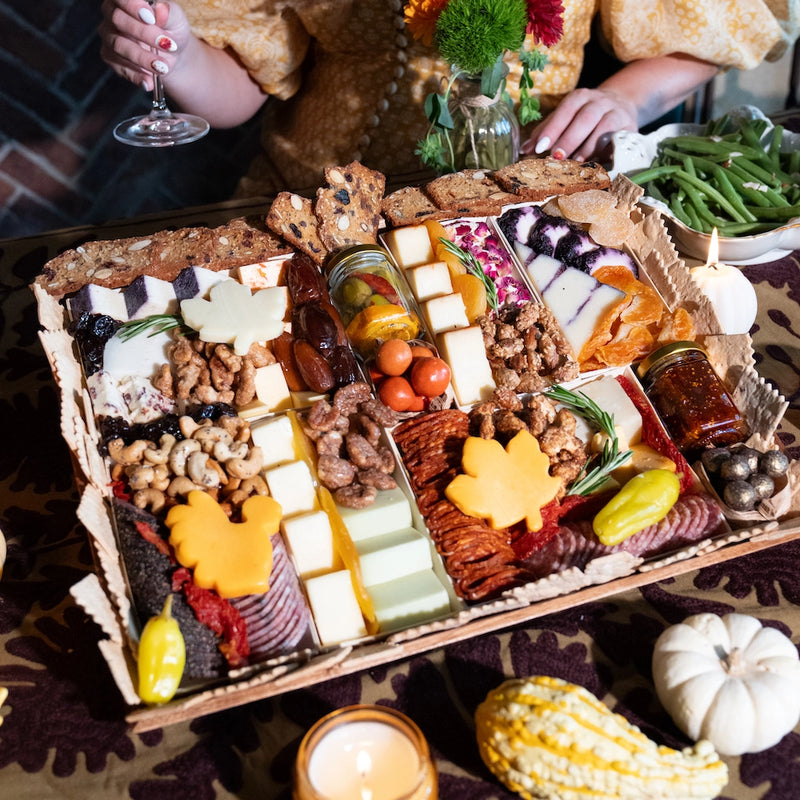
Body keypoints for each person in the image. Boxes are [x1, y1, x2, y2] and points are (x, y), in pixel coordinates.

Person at [99, 0, 799, 197]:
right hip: (315, 210)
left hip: (526, 205)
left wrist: (622, 99)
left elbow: (710, 31)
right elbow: (242, 93)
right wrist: (181, 56)